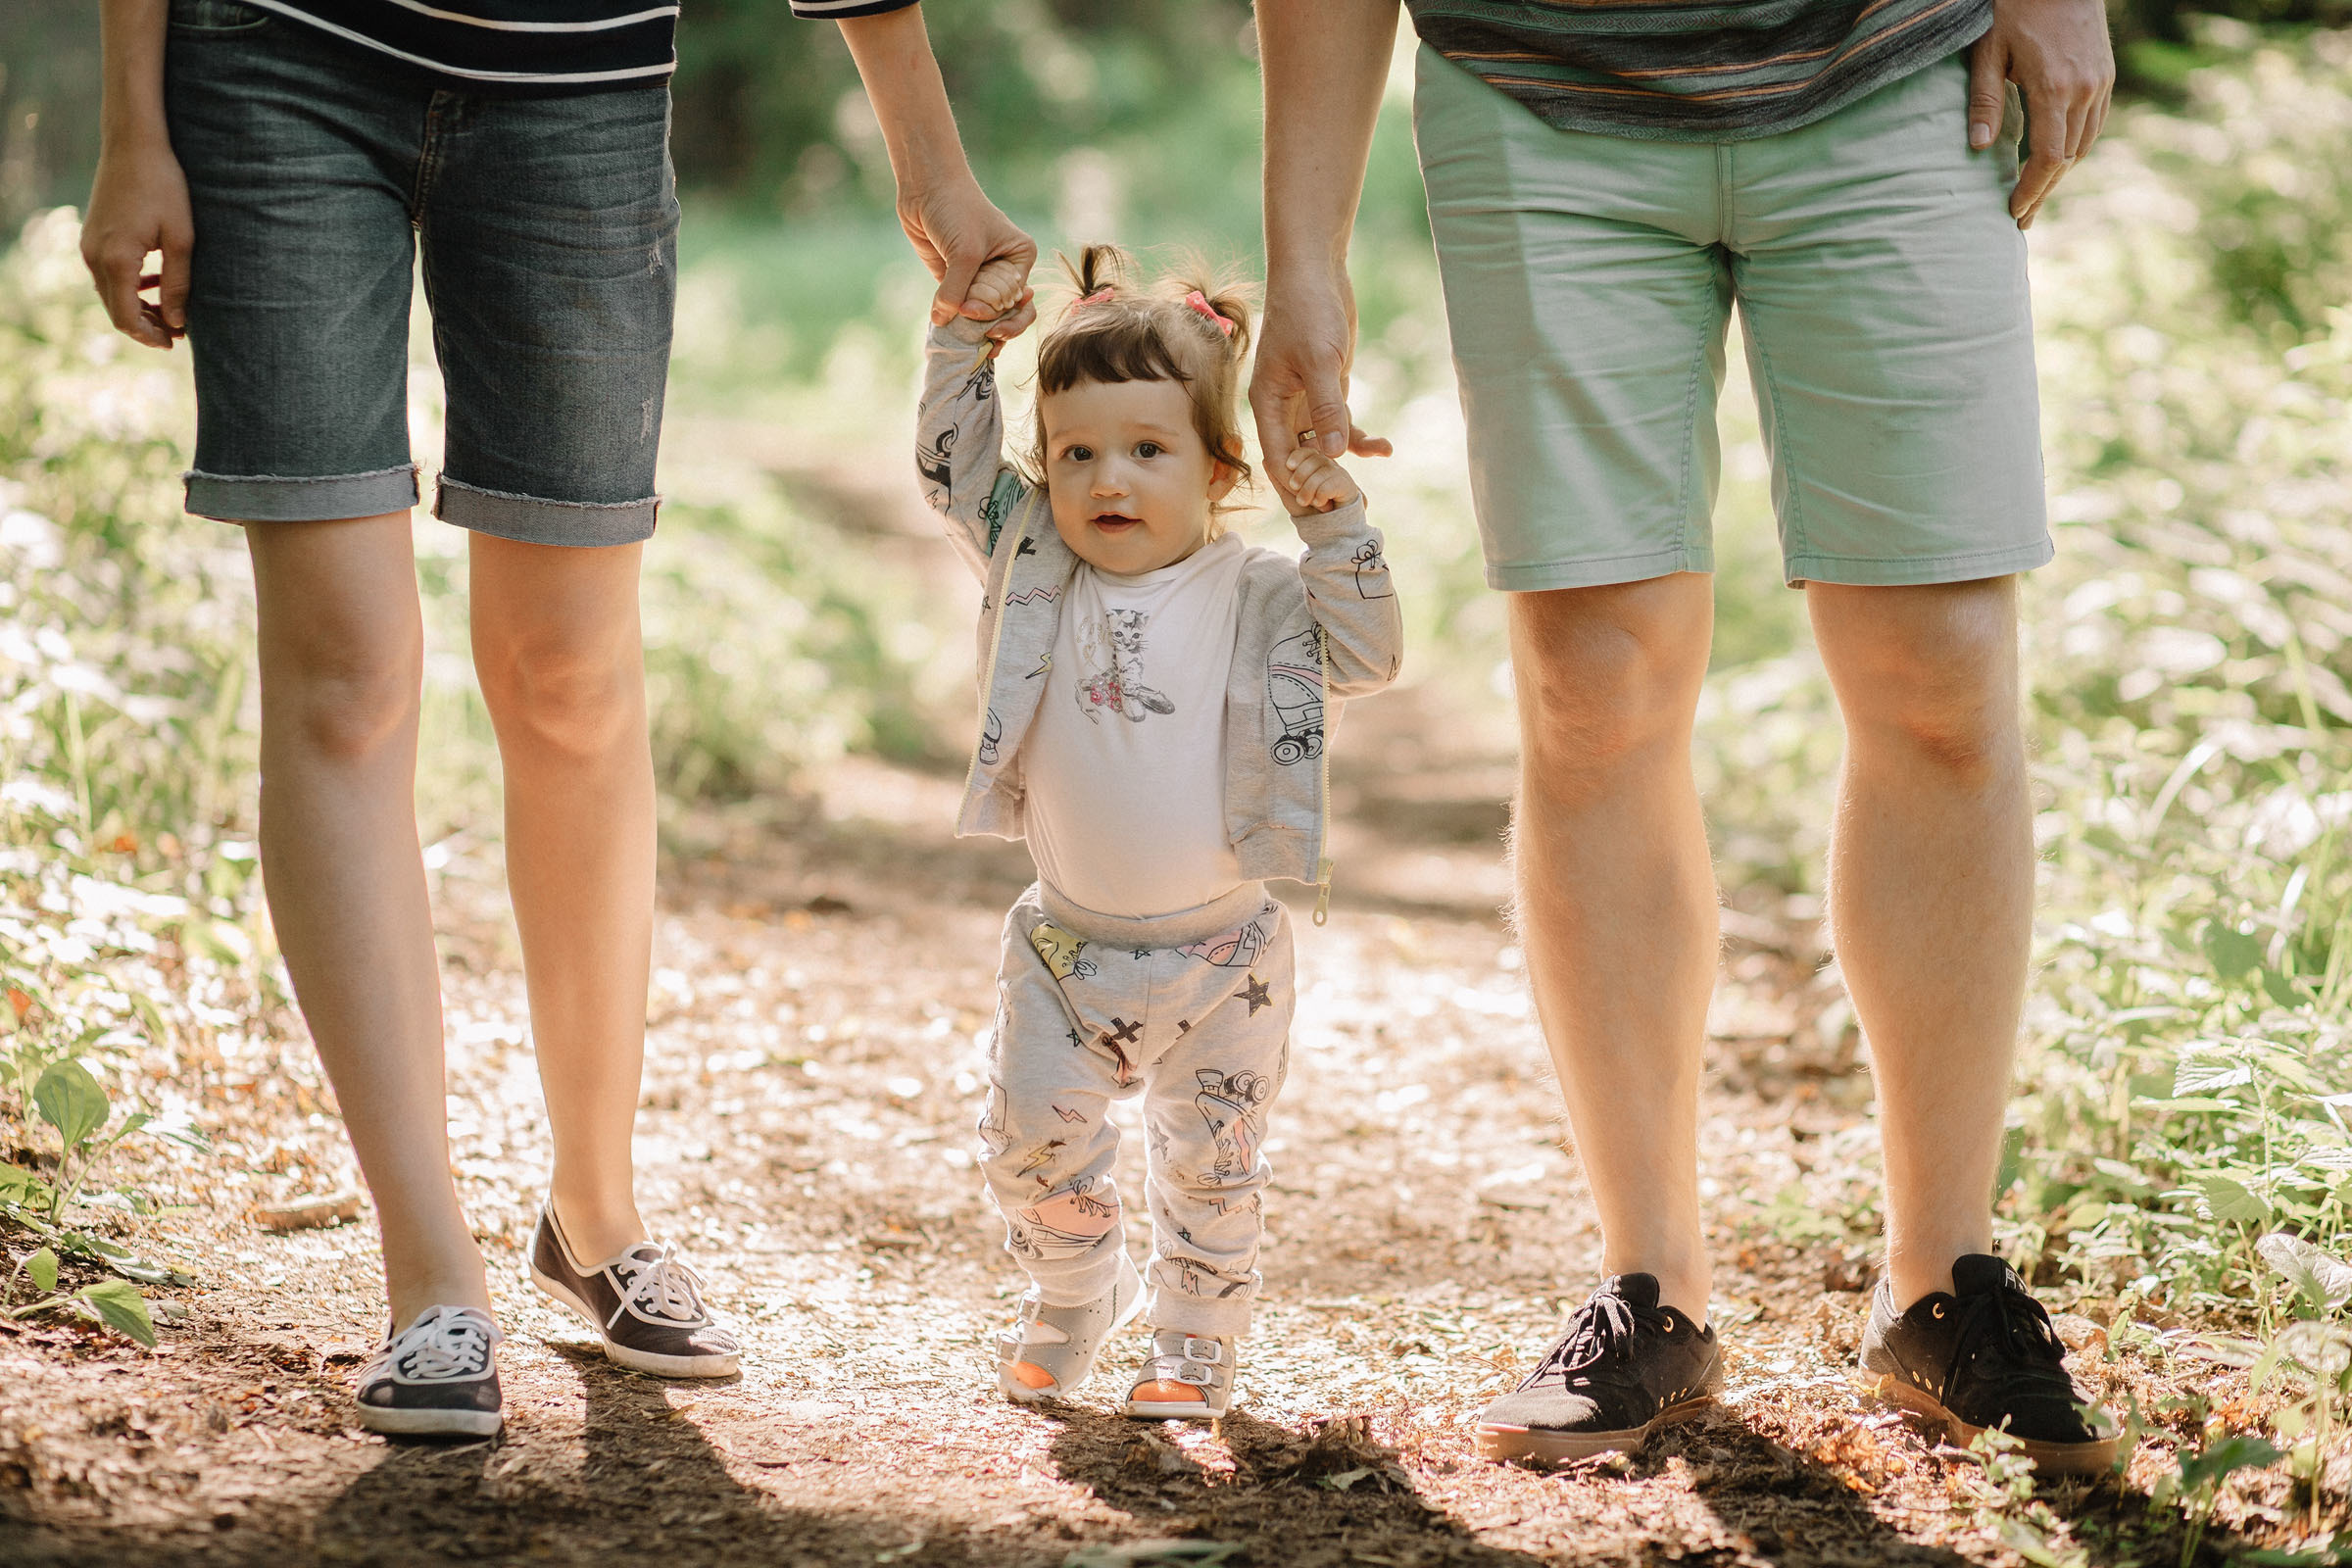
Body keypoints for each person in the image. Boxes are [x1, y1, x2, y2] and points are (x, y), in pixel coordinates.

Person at [79, 0, 1027, 1436]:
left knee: (572, 681)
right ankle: (428, 1277)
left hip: (578, 83)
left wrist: (927, 152)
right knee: (345, 677)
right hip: (272, 60)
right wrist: (130, 121)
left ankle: (593, 1211)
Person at [1251, 0, 2120, 1472]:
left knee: (1945, 670)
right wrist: (1303, 251)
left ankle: (1944, 1285)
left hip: (1897, 77)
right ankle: (1652, 1289)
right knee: (1592, 686)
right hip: (1536, 101)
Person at [916, 246, 1403, 1419]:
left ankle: (1192, 1336)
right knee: (1028, 1137)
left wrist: (1337, 528)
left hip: (1222, 959)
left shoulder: (1263, 594)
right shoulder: (1035, 564)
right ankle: (1078, 1291)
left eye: (1146, 449)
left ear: (1220, 467)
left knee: (1214, 1163)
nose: (1106, 479)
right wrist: (956, 347)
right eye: (1076, 453)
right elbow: (952, 471)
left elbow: (1373, 658)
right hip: (1064, 950)